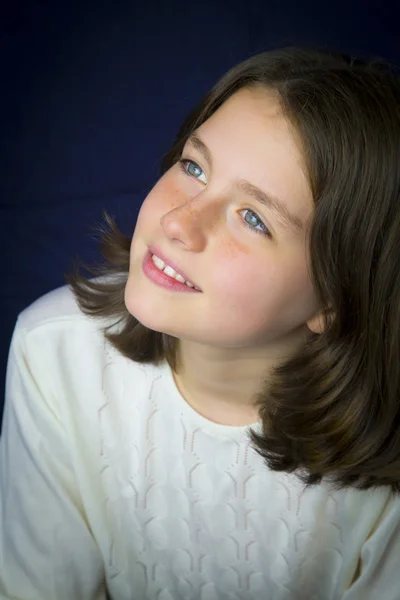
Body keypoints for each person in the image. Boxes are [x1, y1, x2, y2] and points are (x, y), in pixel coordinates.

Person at [1, 46, 400, 600]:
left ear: (335, 295)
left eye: (253, 218)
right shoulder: (53, 352)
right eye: (194, 167)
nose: (179, 222)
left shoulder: (384, 466)